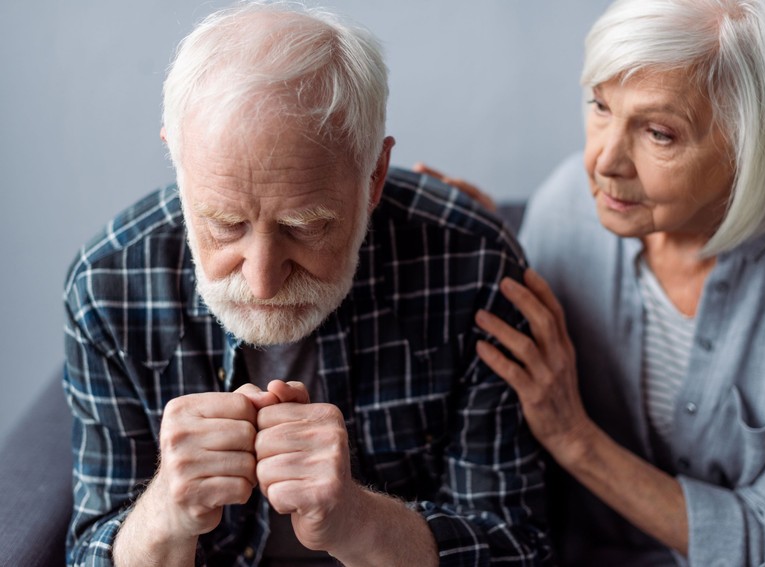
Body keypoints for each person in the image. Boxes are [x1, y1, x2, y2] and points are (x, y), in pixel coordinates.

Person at [62, 2, 551, 566]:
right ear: (177, 160)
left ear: (374, 177)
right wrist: (164, 519)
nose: (263, 281)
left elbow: (520, 549)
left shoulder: (473, 266)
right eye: (225, 224)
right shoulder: (107, 286)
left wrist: (362, 523)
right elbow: (87, 547)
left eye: (305, 227)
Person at [421, 0, 765, 564]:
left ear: (755, 145)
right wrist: (485, 246)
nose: (603, 161)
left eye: (659, 133)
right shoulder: (563, 208)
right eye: (600, 105)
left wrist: (575, 439)